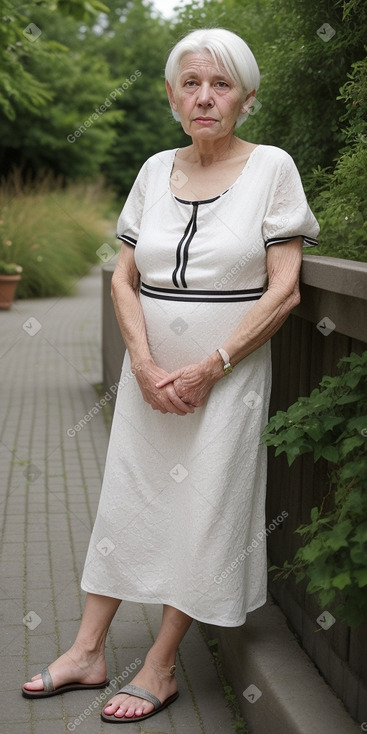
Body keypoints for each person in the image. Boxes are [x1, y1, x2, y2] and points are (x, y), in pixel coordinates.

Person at [22, 27, 319, 723]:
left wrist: (210, 367)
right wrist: (148, 364)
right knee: (125, 499)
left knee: (206, 506)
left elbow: (285, 290)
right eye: (191, 83)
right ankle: (87, 650)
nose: (204, 97)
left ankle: (160, 668)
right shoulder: (155, 170)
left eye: (220, 84)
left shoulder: (271, 166)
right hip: (150, 376)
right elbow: (123, 280)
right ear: (169, 95)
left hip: (227, 375)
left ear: (245, 97)